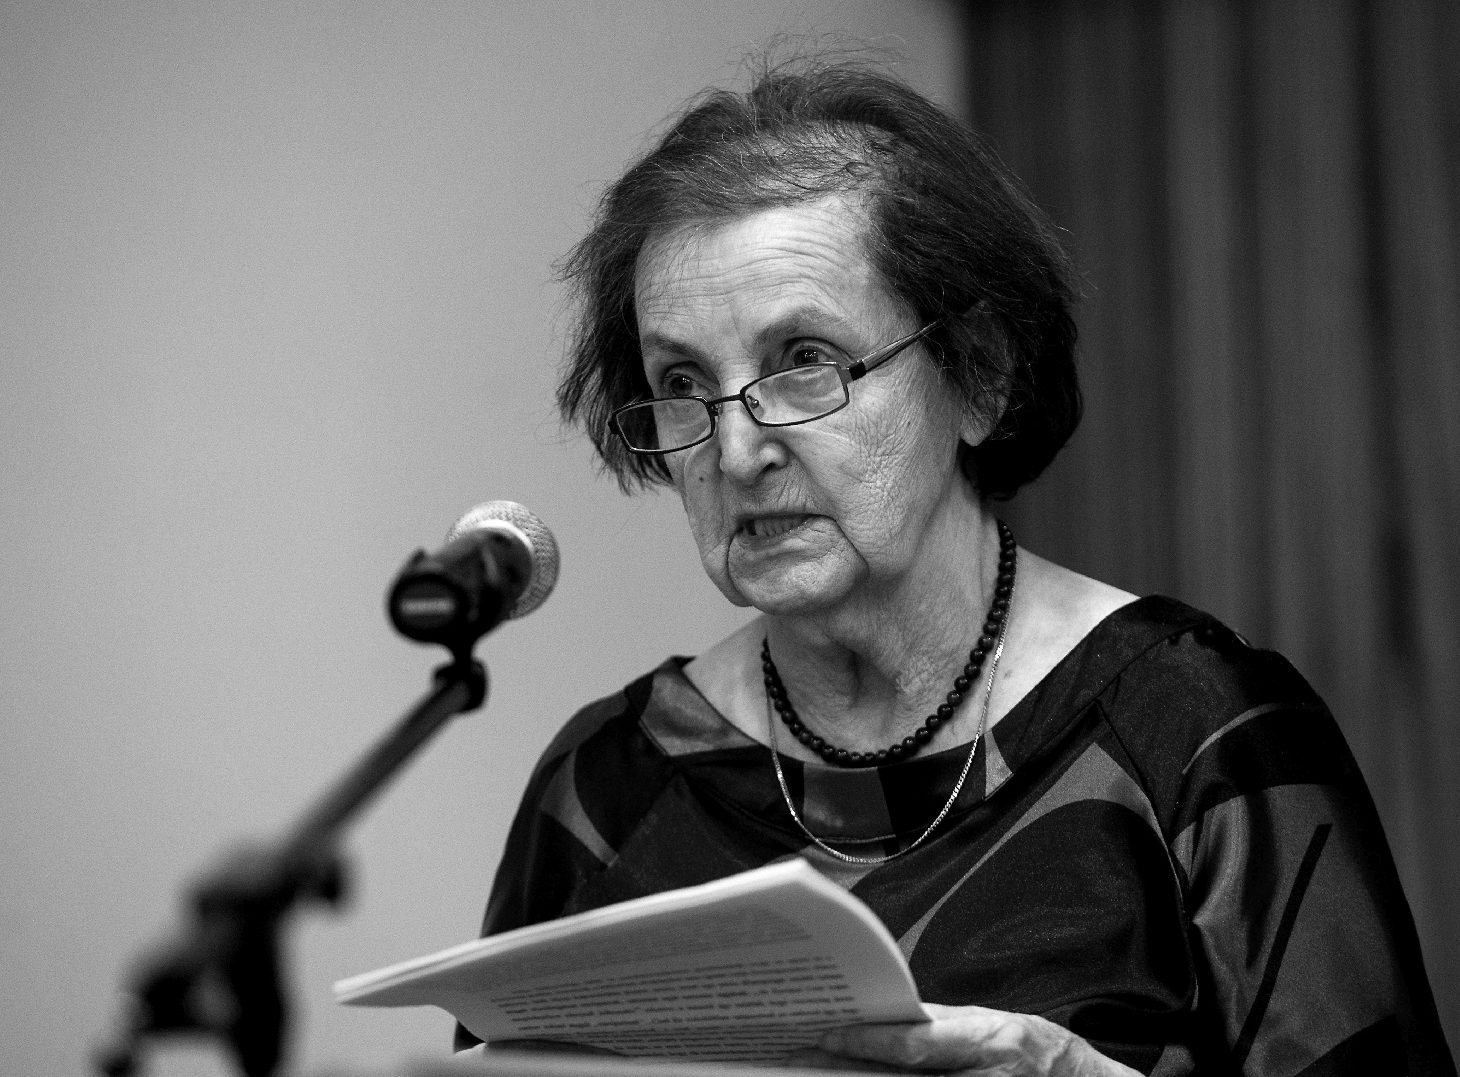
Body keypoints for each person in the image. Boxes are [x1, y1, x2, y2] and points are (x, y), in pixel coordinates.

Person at [461, 59, 1455, 1075]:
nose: (736, 448)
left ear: (978, 375)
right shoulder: (606, 791)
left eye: (804, 360)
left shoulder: (1191, 734)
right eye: (681, 381)